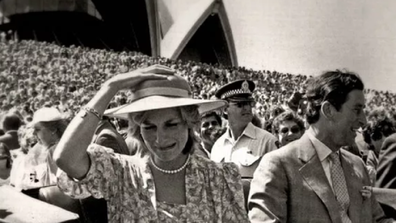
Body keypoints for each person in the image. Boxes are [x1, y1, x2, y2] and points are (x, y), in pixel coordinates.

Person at [54, 65, 249, 222]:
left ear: (189, 123)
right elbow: (65, 158)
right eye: (149, 127)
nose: (160, 139)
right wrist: (110, 87)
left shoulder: (218, 178)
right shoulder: (120, 173)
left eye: (171, 124)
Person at [248, 70, 393, 223]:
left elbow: (378, 219)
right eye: (357, 110)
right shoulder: (278, 165)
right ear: (328, 110)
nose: (364, 120)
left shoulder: (357, 165)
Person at [210, 79, 279, 209]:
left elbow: (277, 187)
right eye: (240, 104)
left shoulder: (267, 141)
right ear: (225, 110)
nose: (247, 108)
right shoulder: (218, 146)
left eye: (249, 103)